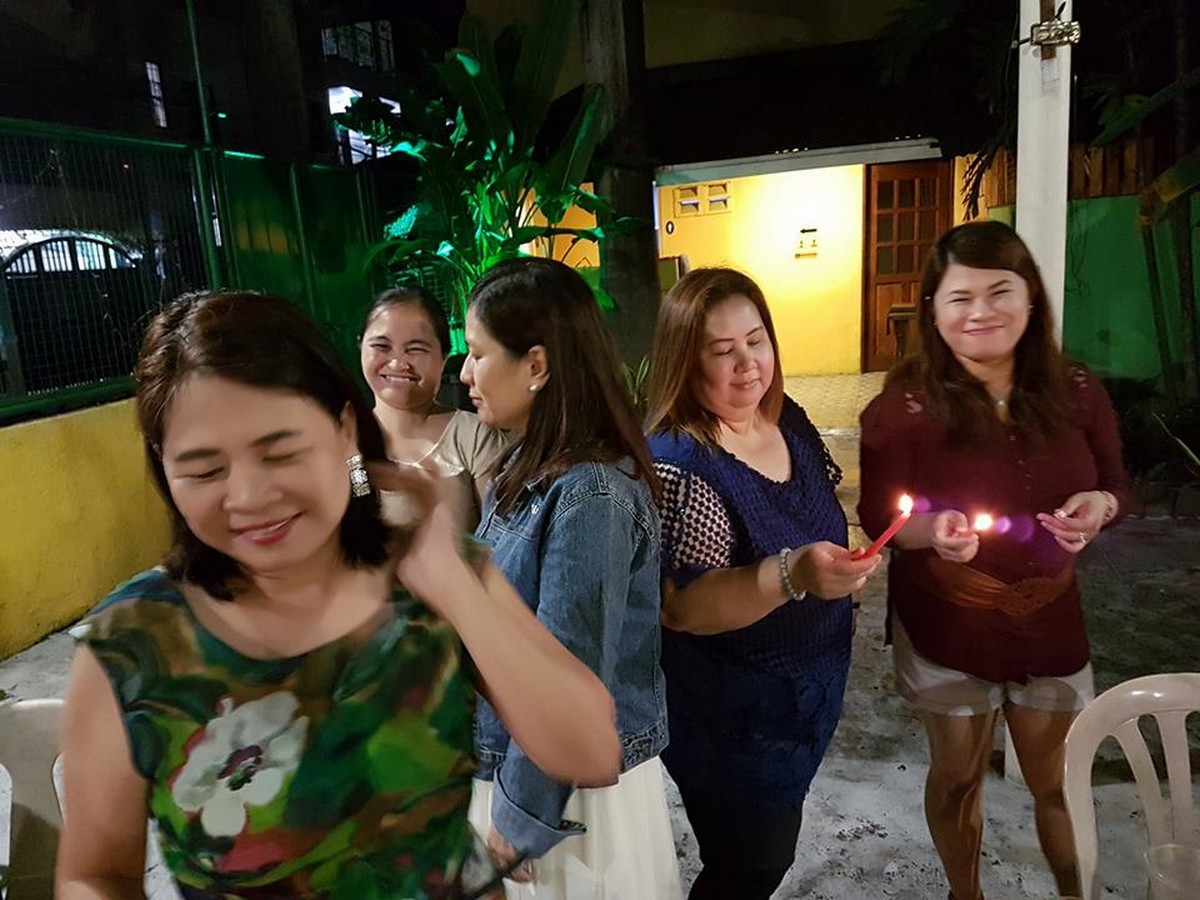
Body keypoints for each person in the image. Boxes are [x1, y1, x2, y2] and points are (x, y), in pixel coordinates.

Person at [55, 291, 621, 899]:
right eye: (204, 471)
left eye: (281, 453)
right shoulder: (133, 644)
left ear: (347, 431)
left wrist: (451, 585)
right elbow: (95, 873)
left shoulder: (436, 575)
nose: (248, 497)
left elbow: (590, 750)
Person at [858, 221, 1128, 900]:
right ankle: (966, 893)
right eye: (961, 297)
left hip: (1050, 617)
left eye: (999, 291)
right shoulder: (903, 407)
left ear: (1030, 296)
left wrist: (1099, 505)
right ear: (933, 310)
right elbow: (880, 518)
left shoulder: (1076, 390)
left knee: (1057, 780)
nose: (981, 311)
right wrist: (931, 530)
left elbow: (1118, 485)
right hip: (948, 621)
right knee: (957, 778)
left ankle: (1074, 892)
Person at [644, 267, 881, 900]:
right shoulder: (682, 464)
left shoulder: (787, 420)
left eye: (756, 340)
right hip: (733, 722)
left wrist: (845, 567)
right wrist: (793, 573)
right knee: (749, 866)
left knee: (765, 849)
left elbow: (814, 515)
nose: (748, 363)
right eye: (722, 351)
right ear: (684, 363)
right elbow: (682, 606)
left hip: (803, 698)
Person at [461, 258, 682, 900]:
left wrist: (519, 821)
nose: (466, 373)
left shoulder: (590, 495)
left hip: (560, 791)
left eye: (477, 352)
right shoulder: (526, 467)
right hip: (517, 761)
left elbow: (569, 672)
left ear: (536, 365)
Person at [361, 285, 507, 530]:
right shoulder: (346, 438)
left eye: (415, 349)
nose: (397, 363)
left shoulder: (473, 437)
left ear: (444, 357)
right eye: (381, 347)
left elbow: (503, 539)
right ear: (361, 346)